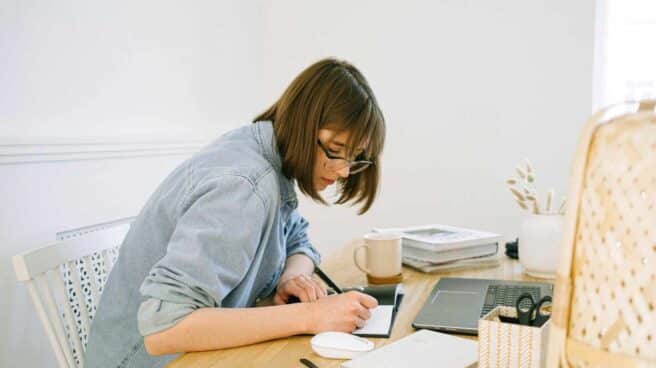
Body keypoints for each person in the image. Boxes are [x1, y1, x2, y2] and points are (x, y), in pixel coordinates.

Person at [85, 57, 386, 367]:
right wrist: (311, 315)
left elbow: (298, 239)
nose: (344, 171)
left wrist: (292, 279)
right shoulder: (245, 186)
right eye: (336, 150)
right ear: (304, 122)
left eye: (355, 158)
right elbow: (165, 327)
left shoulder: (267, 156)